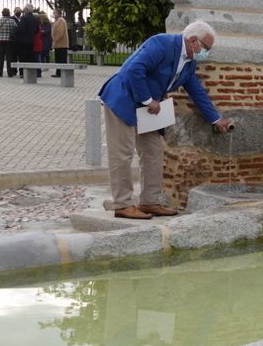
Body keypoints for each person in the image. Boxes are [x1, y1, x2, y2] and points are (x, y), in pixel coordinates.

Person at [97, 21, 233, 219]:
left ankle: (149, 201)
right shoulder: (162, 43)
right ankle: (123, 204)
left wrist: (216, 119)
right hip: (123, 99)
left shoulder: (189, 61)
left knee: (153, 152)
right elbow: (135, 69)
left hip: (147, 109)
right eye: (206, 48)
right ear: (193, 40)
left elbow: (196, 89)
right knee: (122, 154)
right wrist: (148, 99)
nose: (206, 53)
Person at [13, 7, 39, 76]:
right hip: (31, 40)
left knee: (23, 57)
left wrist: (16, 33)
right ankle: (30, 73)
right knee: (30, 57)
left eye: (24, 10)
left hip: (23, 41)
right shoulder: (35, 18)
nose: (23, 11)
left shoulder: (24, 18)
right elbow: (37, 29)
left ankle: (23, 73)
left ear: (26, 10)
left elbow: (21, 29)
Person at [0, 7, 17, 76]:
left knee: (0, 57)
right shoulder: (12, 21)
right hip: (9, 41)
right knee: (9, 57)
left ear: (2, 13)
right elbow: (16, 29)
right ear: (9, 13)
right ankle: (10, 73)